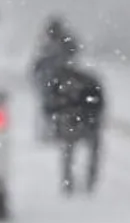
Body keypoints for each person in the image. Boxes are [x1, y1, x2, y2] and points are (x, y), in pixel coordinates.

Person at [43, 60, 106, 195]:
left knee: (69, 152)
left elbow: (51, 106)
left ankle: (70, 181)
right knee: (88, 152)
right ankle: (86, 180)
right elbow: (99, 102)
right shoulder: (88, 81)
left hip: (75, 121)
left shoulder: (61, 83)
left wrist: (56, 119)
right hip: (86, 121)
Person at [31, 17, 81, 141]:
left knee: (53, 102)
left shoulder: (54, 44)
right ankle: (53, 128)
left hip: (58, 76)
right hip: (55, 77)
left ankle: (56, 128)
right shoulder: (52, 44)